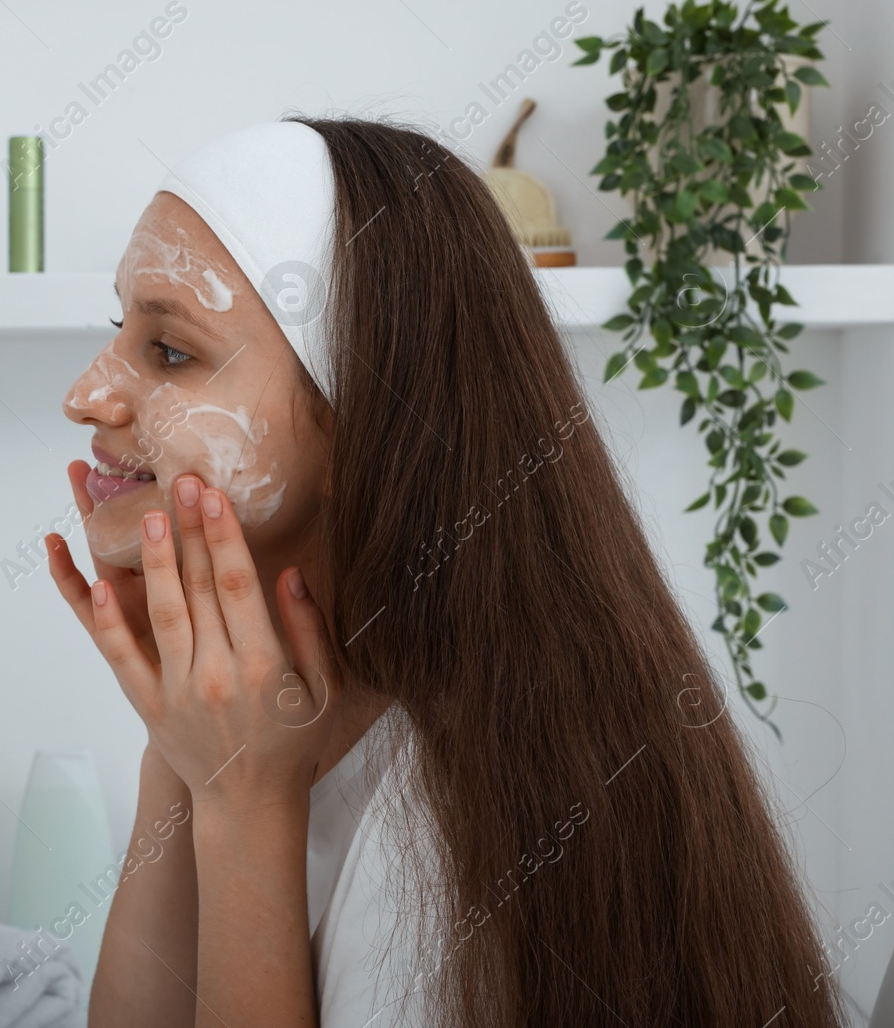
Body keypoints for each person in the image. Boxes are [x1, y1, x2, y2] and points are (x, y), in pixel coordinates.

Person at [46, 117, 844, 1026]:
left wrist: (243, 806)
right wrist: (181, 747)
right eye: (121, 328)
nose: (85, 394)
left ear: (362, 423)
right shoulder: (281, 718)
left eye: (171, 350)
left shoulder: (439, 841)